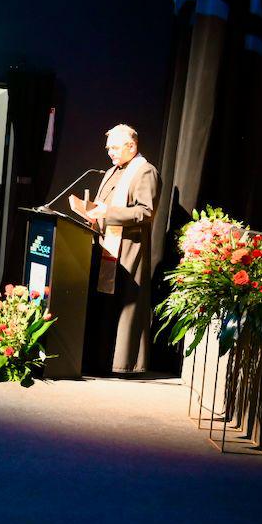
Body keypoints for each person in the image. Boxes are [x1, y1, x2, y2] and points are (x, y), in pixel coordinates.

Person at [68, 123, 161, 374]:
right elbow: (103, 207)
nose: (110, 152)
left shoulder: (145, 171)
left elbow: (145, 212)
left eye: (115, 148)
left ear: (132, 146)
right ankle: (99, 359)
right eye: (108, 148)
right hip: (105, 244)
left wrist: (106, 212)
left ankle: (123, 364)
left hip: (128, 248)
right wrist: (90, 211)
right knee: (104, 303)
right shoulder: (112, 171)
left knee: (124, 304)